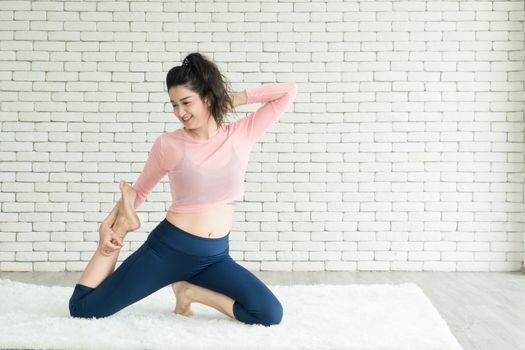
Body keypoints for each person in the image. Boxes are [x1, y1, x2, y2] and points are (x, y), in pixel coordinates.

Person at [68, 52, 298, 327]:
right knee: (84, 308)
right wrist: (110, 227)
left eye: (186, 102)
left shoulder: (242, 132)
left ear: (207, 98)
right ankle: (120, 234)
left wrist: (229, 99)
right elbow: (139, 192)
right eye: (174, 105)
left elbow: (287, 92)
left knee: (269, 314)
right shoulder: (169, 144)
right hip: (168, 251)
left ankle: (190, 291)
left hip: (215, 256)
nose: (180, 113)